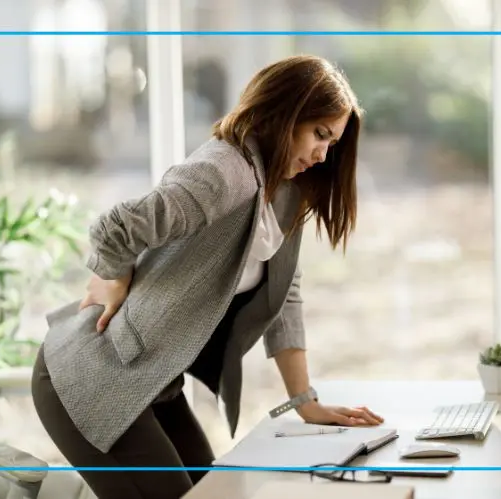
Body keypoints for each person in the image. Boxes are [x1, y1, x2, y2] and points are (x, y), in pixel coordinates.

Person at [30, 54, 384, 499]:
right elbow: (115, 226)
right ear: (284, 114)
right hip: (92, 381)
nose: (322, 154)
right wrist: (113, 275)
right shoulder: (226, 171)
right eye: (319, 135)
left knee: (219, 493)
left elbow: (284, 296)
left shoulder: (286, 191)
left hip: (154, 384)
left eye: (331, 142)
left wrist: (304, 403)